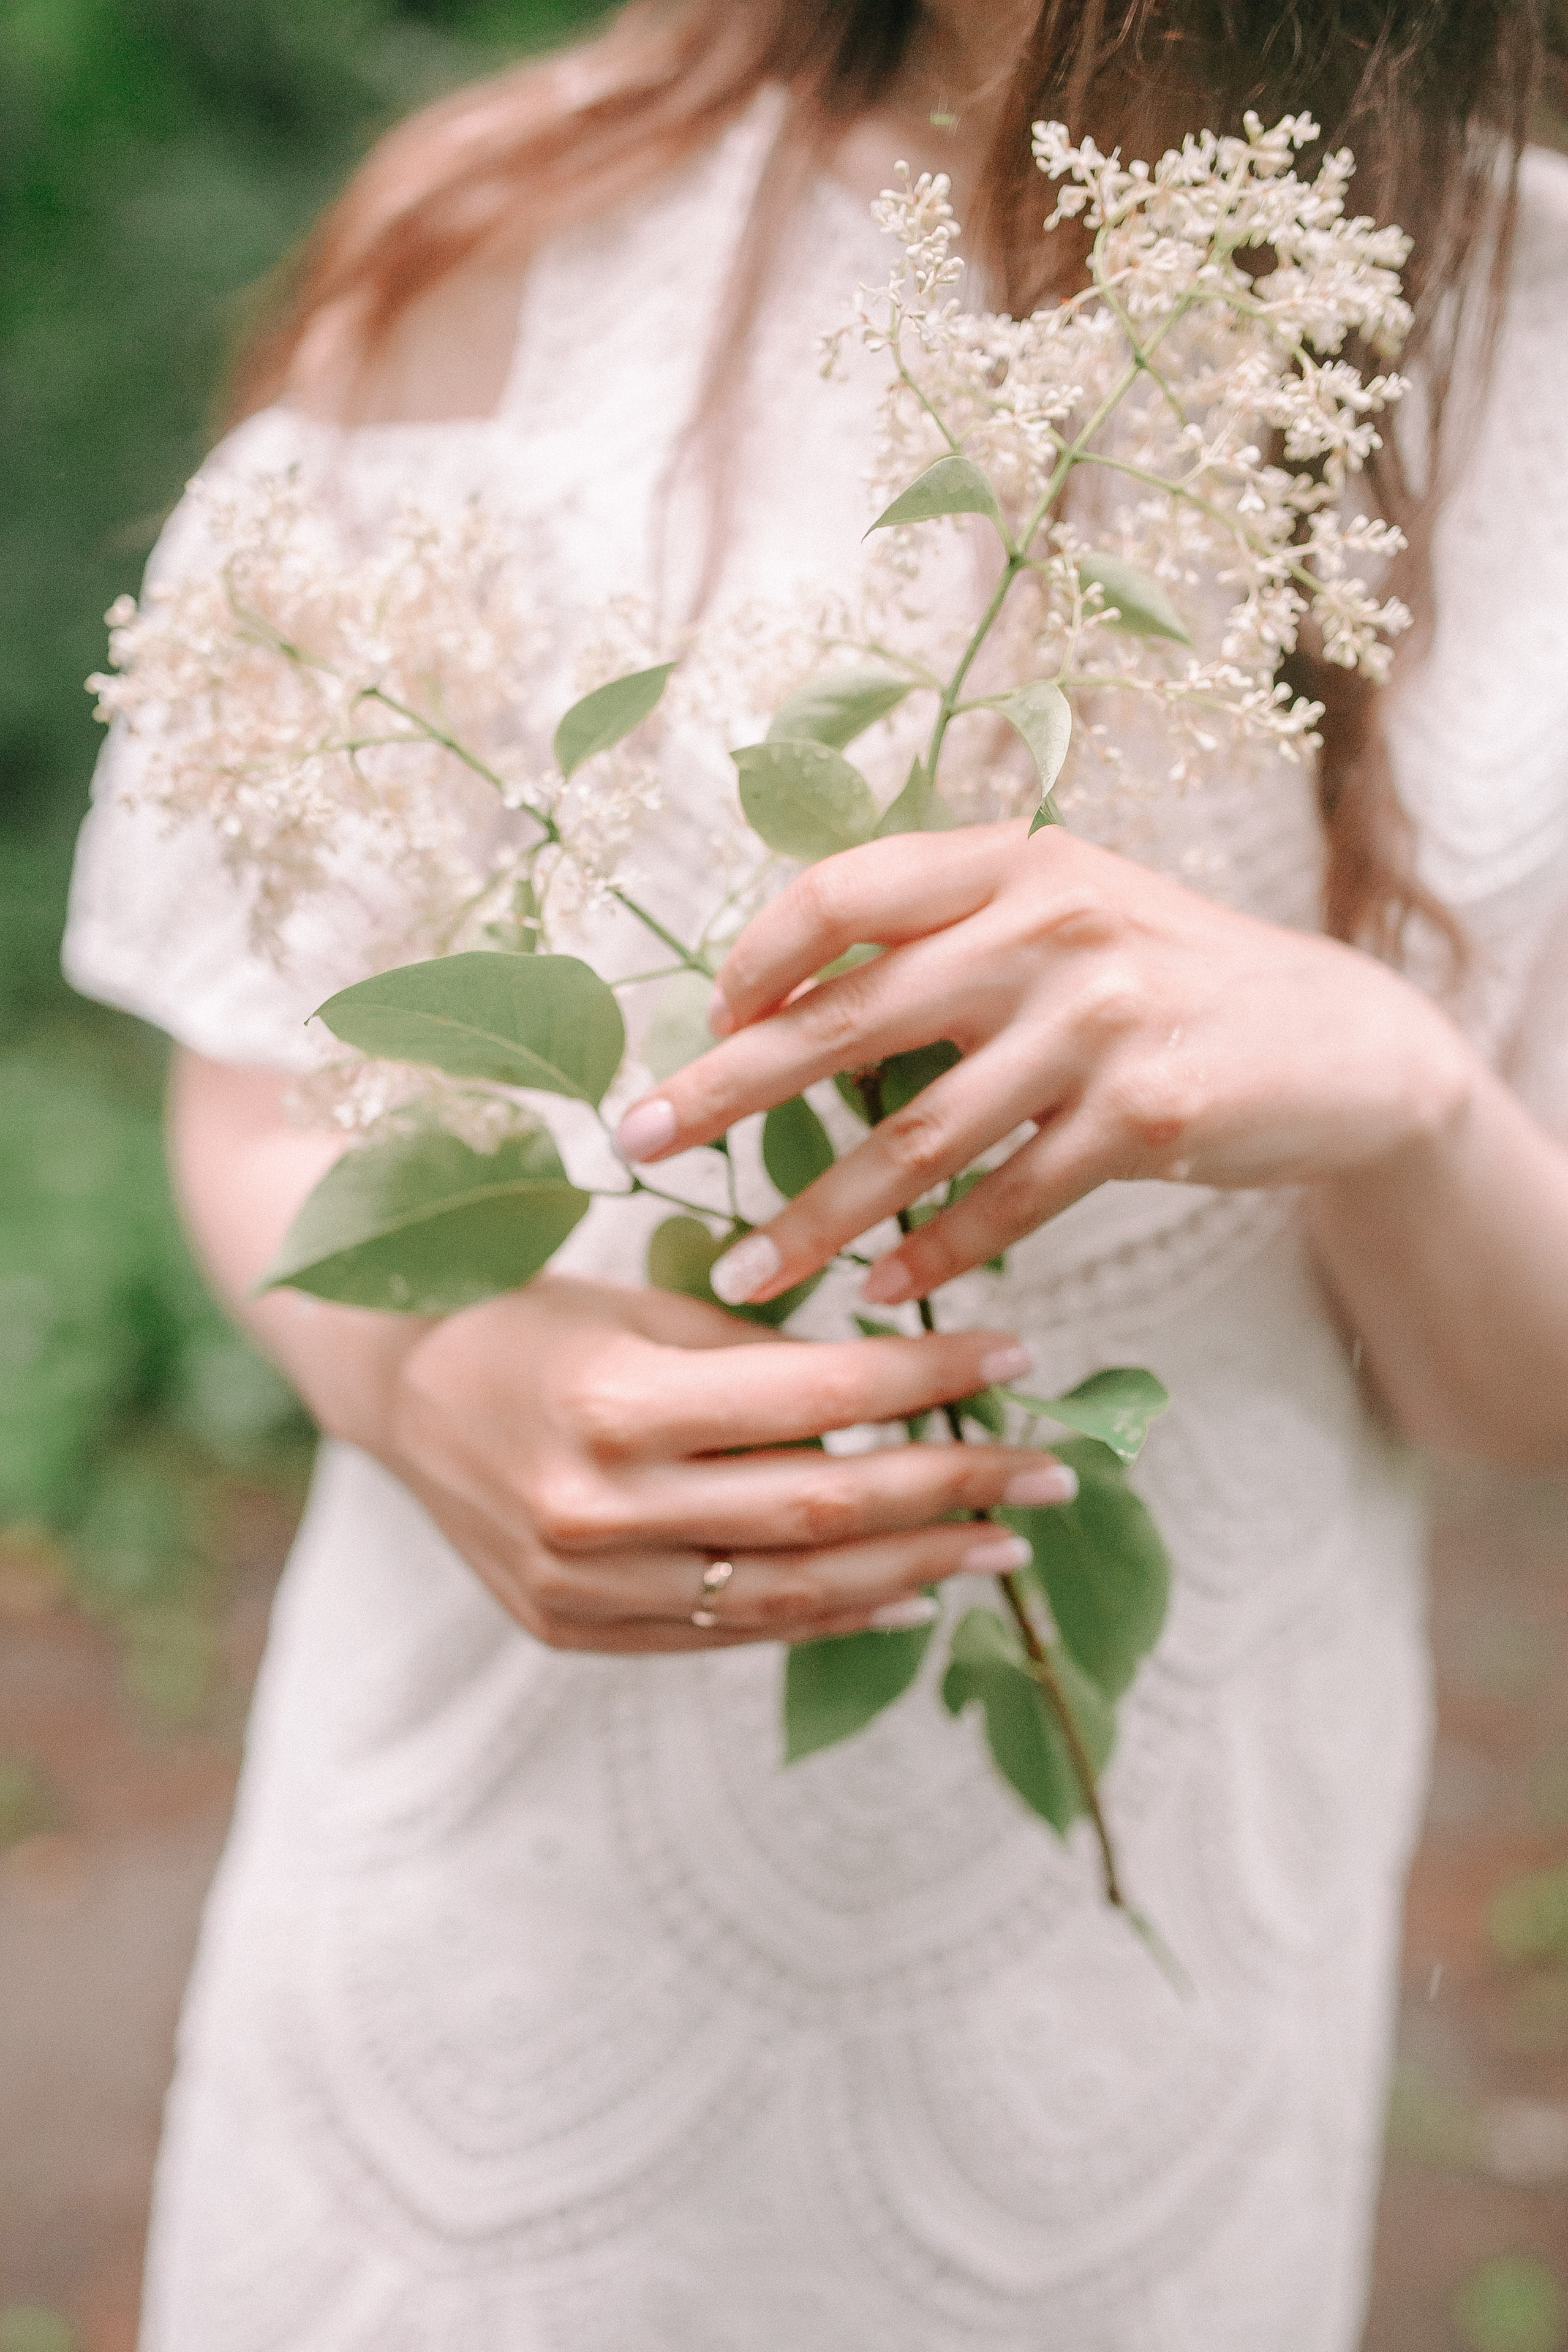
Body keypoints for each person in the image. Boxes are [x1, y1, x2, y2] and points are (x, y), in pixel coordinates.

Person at [62, 2, 1568, 2345]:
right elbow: (262, 1087)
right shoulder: (520, 225)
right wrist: (425, 1367)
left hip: (1133, 2006)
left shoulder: (1527, 346)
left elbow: (1517, 1393)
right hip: (499, 1986)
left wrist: (1405, 1083)